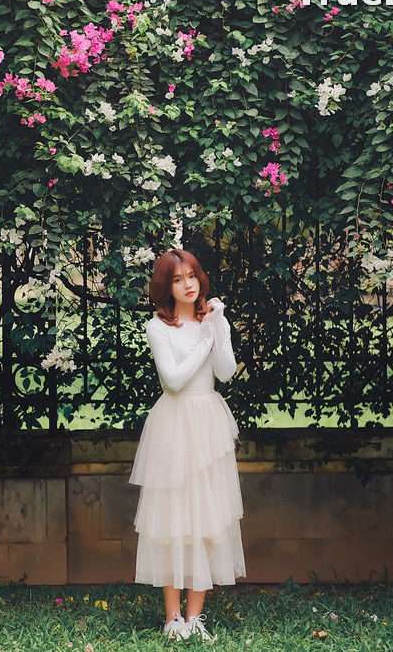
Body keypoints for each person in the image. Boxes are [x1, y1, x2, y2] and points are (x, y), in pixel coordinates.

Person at [129, 248, 246, 642]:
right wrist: (203, 339)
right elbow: (174, 380)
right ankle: (173, 617)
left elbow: (225, 373)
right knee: (173, 519)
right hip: (174, 424)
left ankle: (195, 618)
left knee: (206, 518)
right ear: (167, 286)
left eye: (192, 276)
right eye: (178, 279)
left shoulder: (211, 321)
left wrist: (219, 327)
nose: (188, 284)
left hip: (208, 424)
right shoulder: (158, 327)